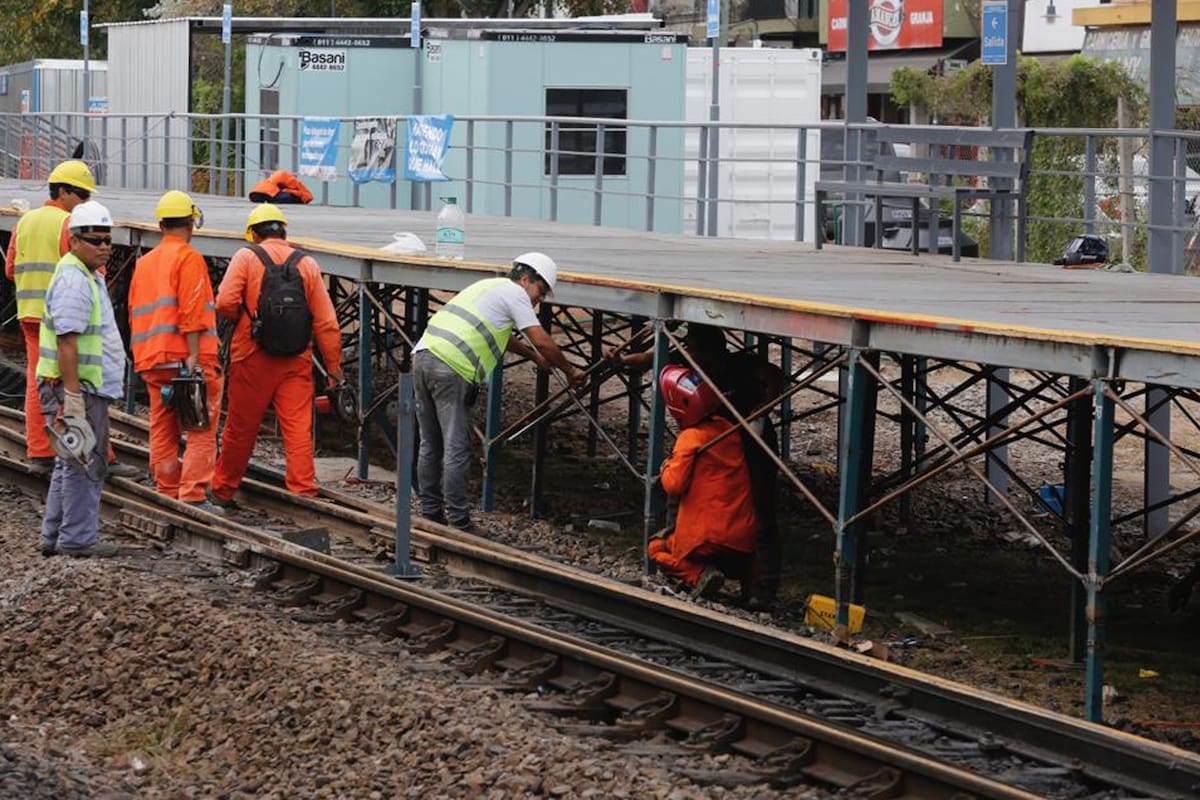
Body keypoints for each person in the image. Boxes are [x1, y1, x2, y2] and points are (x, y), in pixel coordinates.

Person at [609, 323, 783, 603]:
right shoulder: (686, 359)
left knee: (759, 506)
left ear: (713, 350)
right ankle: (699, 554)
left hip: (751, 440)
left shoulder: (739, 365)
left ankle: (761, 585)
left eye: (693, 347)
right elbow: (650, 359)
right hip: (712, 443)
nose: (688, 352)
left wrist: (765, 405)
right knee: (711, 497)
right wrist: (622, 360)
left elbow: (774, 375)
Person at [412, 252, 581, 532]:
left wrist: (534, 357)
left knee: (430, 443)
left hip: (423, 356)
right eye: (540, 291)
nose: (539, 300)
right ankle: (458, 519)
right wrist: (569, 370)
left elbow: (504, 335)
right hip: (451, 367)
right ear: (526, 279)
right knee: (455, 446)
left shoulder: (486, 287)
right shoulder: (516, 295)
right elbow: (542, 339)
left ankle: (430, 512)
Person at [210, 203, 342, 504]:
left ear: (253, 234)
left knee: (241, 426)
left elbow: (225, 302)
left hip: (251, 355)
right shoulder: (306, 263)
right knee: (297, 426)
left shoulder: (246, 256)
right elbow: (327, 323)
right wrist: (334, 371)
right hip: (296, 358)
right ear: (284, 231)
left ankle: (223, 488)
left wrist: (244, 320)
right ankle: (303, 491)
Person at [37, 201, 126, 557]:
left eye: (107, 240)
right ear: (74, 240)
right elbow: (67, 341)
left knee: (69, 459)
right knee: (85, 462)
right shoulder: (75, 279)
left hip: (82, 386)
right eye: (95, 240)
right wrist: (73, 395)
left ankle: (54, 535)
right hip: (79, 388)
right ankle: (76, 541)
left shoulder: (85, 273)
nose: (103, 246)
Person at [127, 191, 224, 513]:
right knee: (200, 423)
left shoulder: (144, 263)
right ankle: (193, 493)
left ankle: (167, 488)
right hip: (188, 357)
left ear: (160, 225)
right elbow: (193, 311)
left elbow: (132, 310)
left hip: (152, 358)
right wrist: (194, 358)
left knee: (162, 423)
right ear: (192, 224)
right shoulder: (188, 257)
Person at [6, 160, 93, 474]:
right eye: (81, 194)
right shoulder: (67, 224)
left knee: (37, 378)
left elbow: (10, 269)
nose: (85, 201)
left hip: (29, 313)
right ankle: (87, 451)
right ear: (64, 191)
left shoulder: (25, 221)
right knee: (74, 381)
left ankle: (40, 451)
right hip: (60, 317)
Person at [649, 365, 758, 600]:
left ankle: (698, 575)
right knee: (735, 554)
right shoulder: (730, 430)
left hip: (705, 537)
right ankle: (753, 585)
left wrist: (666, 465)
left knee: (656, 547)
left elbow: (673, 485)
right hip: (742, 539)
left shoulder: (691, 437)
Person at [248, 170, 313, 204]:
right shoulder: (285, 178)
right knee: (286, 196)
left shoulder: (268, 181)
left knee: (285, 196)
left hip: (254, 193)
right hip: (269, 193)